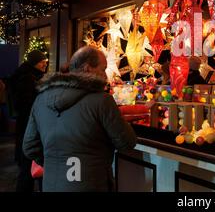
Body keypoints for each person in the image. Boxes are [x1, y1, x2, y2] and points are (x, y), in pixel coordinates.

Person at [22, 46, 136, 192]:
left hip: (52, 184)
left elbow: (29, 146)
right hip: (92, 184)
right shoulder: (102, 100)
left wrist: (57, 163)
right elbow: (127, 142)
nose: (106, 76)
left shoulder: (41, 99)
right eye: (103, 69)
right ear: (88, 69)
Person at [8, 50, 48, 192]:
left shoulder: (29, 76)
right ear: (34, 63)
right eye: (42, 61)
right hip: (27, 126)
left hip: (25, 126)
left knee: (27, 166)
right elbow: (27, 104)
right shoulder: (27, 79)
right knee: (27, 166)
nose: (45, 63)